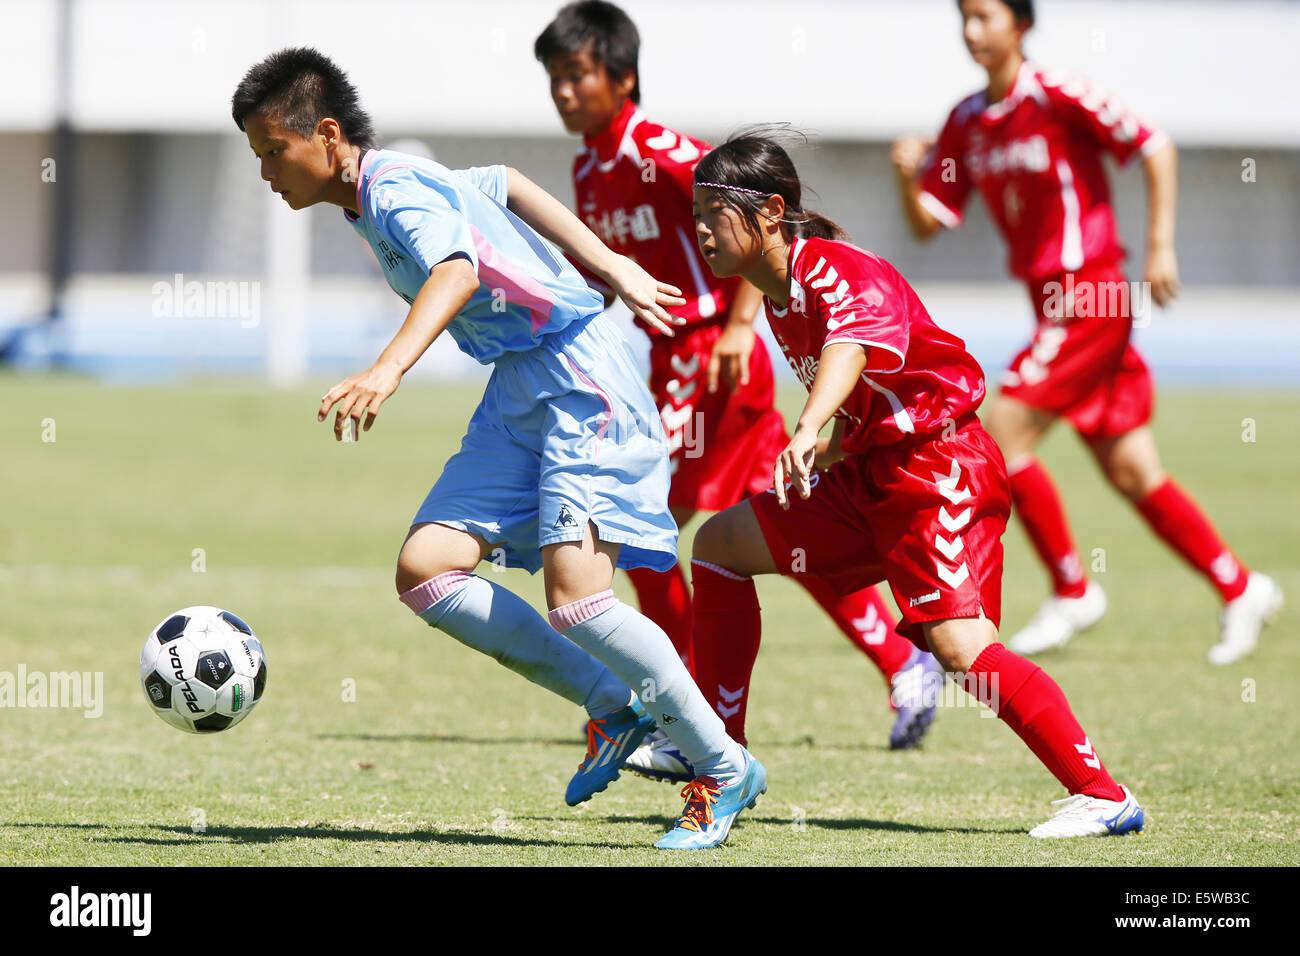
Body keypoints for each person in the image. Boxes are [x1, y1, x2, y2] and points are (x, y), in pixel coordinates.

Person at [231, 46, 764, 849]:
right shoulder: (380, 190)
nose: (269, 171)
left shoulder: (397, 191)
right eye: (259, 155)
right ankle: (613, 707)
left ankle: (722, 767)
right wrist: (610, 260)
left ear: (329, 136)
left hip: (581, 374)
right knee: (425, 569)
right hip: (520, 384)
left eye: (276, 150)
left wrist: (387, 369)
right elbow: (507, 183)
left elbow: (457, 273)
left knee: (579, 599)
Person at [688, 127, 1145, 837]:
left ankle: (1103, 795)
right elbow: (870, 390)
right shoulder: (777, 295)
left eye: (712, 213)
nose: (701, 230)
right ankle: (725, 765)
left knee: (963, 652)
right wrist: (830, 450)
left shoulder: (832, 268)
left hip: (939, 469)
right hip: (871, 474)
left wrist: (806, 430)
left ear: (770, 213)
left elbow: (850, 347)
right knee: (719, 546)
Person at [534, 1, 941, 775]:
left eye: (576, 74)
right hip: (671, 364)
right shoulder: (591, 165)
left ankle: (677, 710)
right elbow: (613, 271)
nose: (562, 92)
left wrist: (737, 324)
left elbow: (750, 216)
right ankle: (898, 662)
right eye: (553, 78)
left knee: (644, 530)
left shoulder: (654, 148)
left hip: (712, 362)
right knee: (776, 530)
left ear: (621, 78)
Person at [892, 0, 1281, 662]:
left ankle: (1073, 589)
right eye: (964, 17)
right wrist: (906, 177)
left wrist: (1160, 247)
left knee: (995, 436)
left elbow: (1154, 146)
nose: (971, 30)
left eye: (986, 15)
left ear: (1022, 24)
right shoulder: (965, 121)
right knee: (1134, 471)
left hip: (1093, 292)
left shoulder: (1057, 93)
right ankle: (1239, 586)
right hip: (1051, 305)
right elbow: (930, 221)